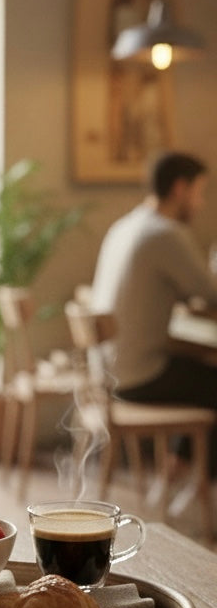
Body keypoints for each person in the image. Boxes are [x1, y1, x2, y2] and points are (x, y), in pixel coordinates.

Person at [91, 150, 217, 474]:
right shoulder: (165, 233)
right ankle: (197, 479)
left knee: (204, 370)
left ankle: (181, 466)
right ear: (179, 188)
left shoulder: (127, 225)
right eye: (199, 192)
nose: (201, 203)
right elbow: (208, 292)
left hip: (107, 372)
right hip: (138, 376)